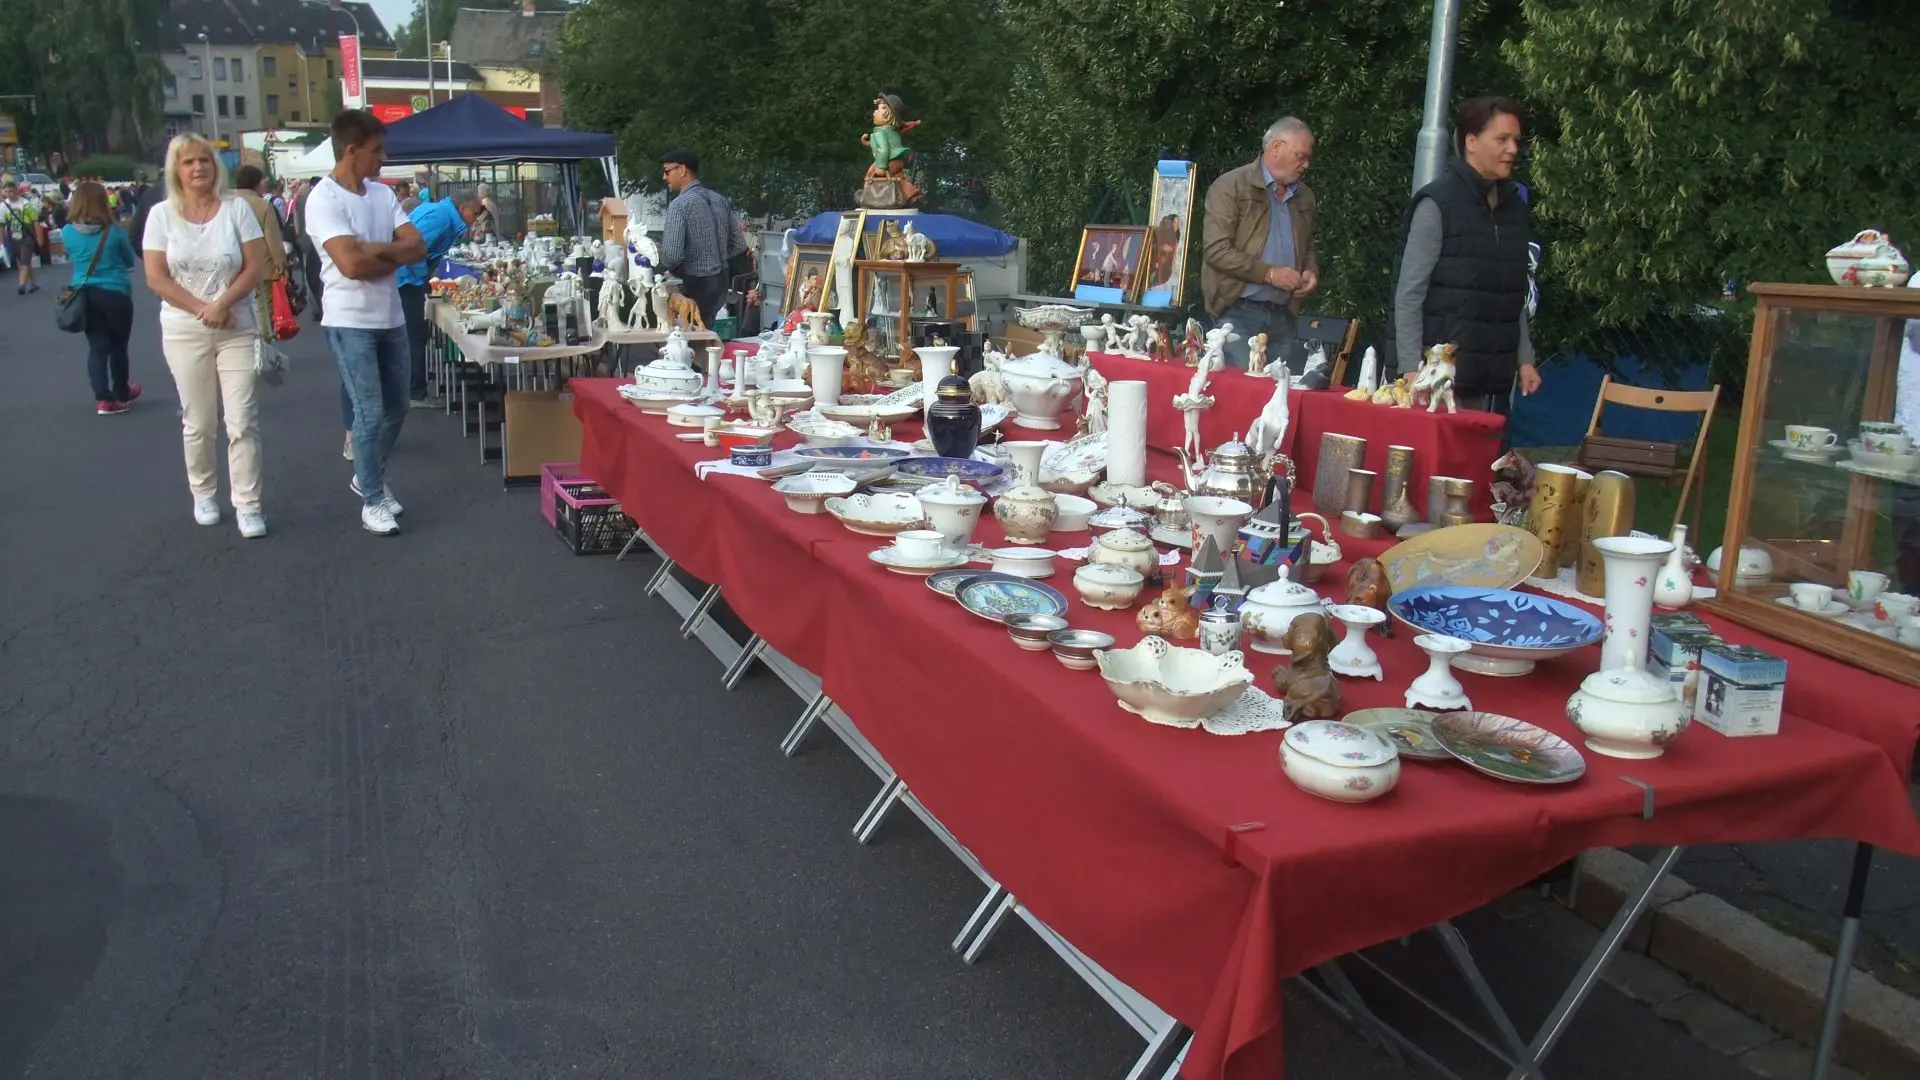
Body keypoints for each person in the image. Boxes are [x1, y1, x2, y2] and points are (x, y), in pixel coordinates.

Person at [140, 133, 270, 538]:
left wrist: (222, 303)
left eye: (204, 160)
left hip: (236, 325)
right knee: (198, 421)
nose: (198, 168)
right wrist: (202, 308)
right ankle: (204, 492)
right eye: (188, 162)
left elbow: (255, 266)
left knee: (242, 420)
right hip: (184, 329)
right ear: (175, 171)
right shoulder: (161, 216)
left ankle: (248, 504)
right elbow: (156, 277)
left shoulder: (236, 209)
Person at [305, 109, 427, 536]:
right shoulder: (324, 199)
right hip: (349, 319)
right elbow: (350, 266)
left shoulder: (382, 194)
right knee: (369, 411)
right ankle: (372, 499)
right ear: (351, 151)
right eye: (377, 151)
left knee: (398, 407)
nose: (383, 158)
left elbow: (417, 246)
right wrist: (388, 254)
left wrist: (371, 249)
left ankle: (367, 476)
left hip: (389, 316)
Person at [1390, 94, 1540, 414]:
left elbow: (1511, 292)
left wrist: (1525, 360)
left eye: (1516, 140)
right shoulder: (1437, 204)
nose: (1512, 149)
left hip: (1494, 383)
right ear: (1471, 141)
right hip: (1438, 384)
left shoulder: (1514, 208)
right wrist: (1411, 369)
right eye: (1502, 139)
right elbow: (1409, 293)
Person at [1200, 117, 1320, 369]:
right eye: (1301, 156)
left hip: (1283, 315)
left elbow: (1307, 245)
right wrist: (1269, 274)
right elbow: (1216, 250)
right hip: (1236, 312)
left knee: (1279, 390)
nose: (1306, 165)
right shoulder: (1231, 186)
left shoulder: (1305, 197)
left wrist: (1310, 270)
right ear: (1276, 147)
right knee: (1242, 390)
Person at [60, 181, 142, 414]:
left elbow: (71, 256)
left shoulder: (67, 232)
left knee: (97, 346)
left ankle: (103, 399)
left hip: (84, 293)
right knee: (119, 346)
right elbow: (128, 261)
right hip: (115, 292)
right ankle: (122, 391)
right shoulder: (114, 231)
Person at [397, 189, 476, 408]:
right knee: (414, 336)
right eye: (475, 211)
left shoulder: (440, 213)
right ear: (463, 209)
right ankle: (415, 392)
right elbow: (411, 247)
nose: (477, 217)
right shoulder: (441, 217)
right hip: (406, 279)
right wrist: (421, 273)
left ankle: (413, 389)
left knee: (414, 335)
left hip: (408, 277)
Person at [658, 148, 747, 328]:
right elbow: (739, 244)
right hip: (721, 283)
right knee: (706, 331)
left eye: (667, 171)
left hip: (695, 284)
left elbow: (671, 256)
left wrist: (667, 265)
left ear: (682, 170)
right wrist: (718, 257)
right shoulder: (720, 200)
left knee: (687, 336)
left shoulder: (679, 205)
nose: (664, 177)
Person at [232, 165, 290, 347]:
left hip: (232, 266)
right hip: (261, 266)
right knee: (263, 307)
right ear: (256, 183)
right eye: (262, 179)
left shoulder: (226, 203)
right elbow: (273, 239)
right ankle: (263, 343)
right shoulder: (263, 205)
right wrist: (281, 265)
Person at [4, 180, 42, 294]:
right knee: (24, 260)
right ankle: (34, 283)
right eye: (6, 191)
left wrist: (40, 237)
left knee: (24, 260)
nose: (9, 194)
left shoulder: (26, 204)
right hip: (14, 237)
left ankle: (22, 285)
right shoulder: (3, 206)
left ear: (17, 191)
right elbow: (1, 224)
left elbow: (36, 222)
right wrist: (1, 242)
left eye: (11, 191)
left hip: (27, 236)